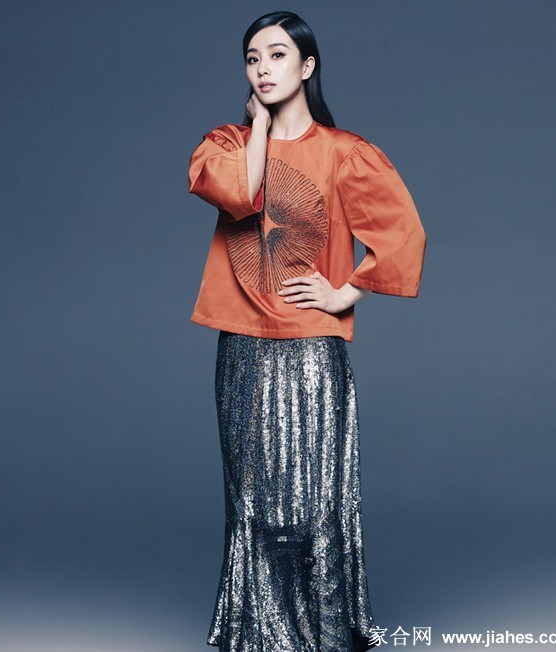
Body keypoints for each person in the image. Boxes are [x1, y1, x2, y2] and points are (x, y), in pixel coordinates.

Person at [187, 11, 427, 652]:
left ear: (307, 65)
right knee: (251, 504)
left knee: (315, 506)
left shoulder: (344, 152)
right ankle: (259, 637)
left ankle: (323, 636)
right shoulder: (227, 143)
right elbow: (241, 195)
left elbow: (403, 235)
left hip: (312, 351)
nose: (262, 69)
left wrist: (344, 292)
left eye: (276, 55)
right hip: (242, 346)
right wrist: (261, 128)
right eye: (252, 58)